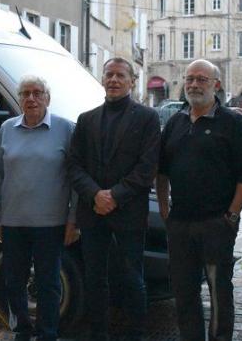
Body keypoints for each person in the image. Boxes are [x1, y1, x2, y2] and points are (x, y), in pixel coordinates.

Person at [156, 59, 242, 341]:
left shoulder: (232, 122)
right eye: (189, 79)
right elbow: (161, 169)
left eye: (201, 79)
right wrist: (165, 207)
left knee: (218, 292)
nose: (194, 84)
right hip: (180, 225)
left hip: (216, 223)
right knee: (183, 291)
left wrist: (233, 215)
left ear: (217, 85)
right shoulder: (175, 122)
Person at [68, 57, 160, 341]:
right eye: (109, 75)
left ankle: (136, 334)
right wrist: (95, 194)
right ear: (103, 79)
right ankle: (99, 333)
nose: (114, 80)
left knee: (133, 279)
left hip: (128, 212)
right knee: (95, 279)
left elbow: (147, 167)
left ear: (132, 81)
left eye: (120, 75)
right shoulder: (86, 119)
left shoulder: (147, 118)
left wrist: (114, 196)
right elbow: (73, 165)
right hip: (92, 210)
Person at [0, 75, 79, 341]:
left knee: (49, 284)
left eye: (37, 93)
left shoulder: (66, 129)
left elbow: (75, 179)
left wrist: (72, 219)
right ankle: (21, 331)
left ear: (47, 98)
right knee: (14, 282)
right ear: (19, 99)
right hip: (14, 222)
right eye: (25, 93)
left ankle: (47, 333)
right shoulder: (7, 128)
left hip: (51, 223)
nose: (31, 98)